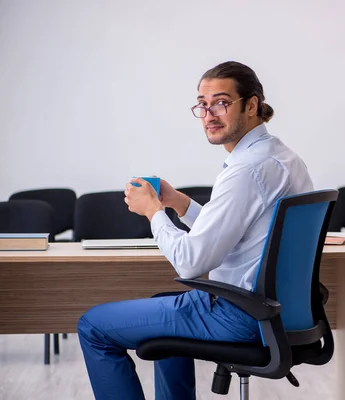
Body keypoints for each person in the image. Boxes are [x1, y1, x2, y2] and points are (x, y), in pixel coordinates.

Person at [78, 61, 314, 400]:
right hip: (277, 311)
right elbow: (239, 232)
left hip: (240, 316)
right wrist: (178, 203)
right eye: (202, 105)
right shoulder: (283, 157)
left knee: (93, 326)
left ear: (251, 105)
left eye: (220, 102)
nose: (209, 114)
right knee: (164, 307)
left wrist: (154, 212)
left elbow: (190, 264)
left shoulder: (246, 170)